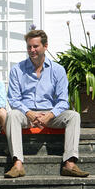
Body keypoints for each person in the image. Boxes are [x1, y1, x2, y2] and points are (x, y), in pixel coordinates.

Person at [5, 29, 89, 178]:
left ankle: (69, 163)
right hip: (26, 114)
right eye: (29, 47)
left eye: (36, 46)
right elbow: (13, 99)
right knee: (12, 115)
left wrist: (50, 115)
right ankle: (17, 164)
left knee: (74, 116)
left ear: (45, 46)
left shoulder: (58, 70)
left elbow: (63, 100)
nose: (32, 50)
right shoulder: (17, 70)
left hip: (50, 114)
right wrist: (29, 113)